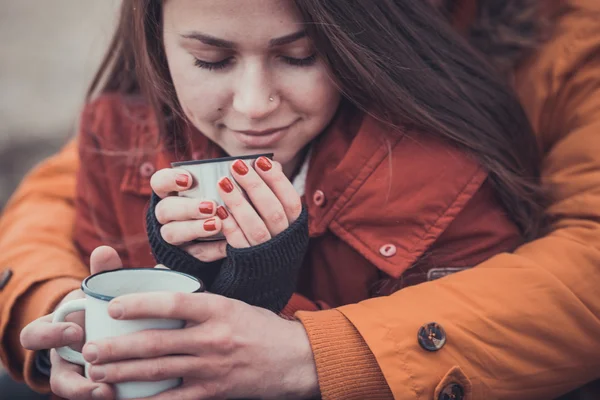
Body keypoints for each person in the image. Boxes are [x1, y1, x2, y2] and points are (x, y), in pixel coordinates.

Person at [1, 0, 599, 399]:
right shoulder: (130, 124)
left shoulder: (449, 157)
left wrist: (299, 340)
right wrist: (55, 312)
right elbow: (59, 200)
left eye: (301, 56)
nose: (254, 105)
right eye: (211, 60)